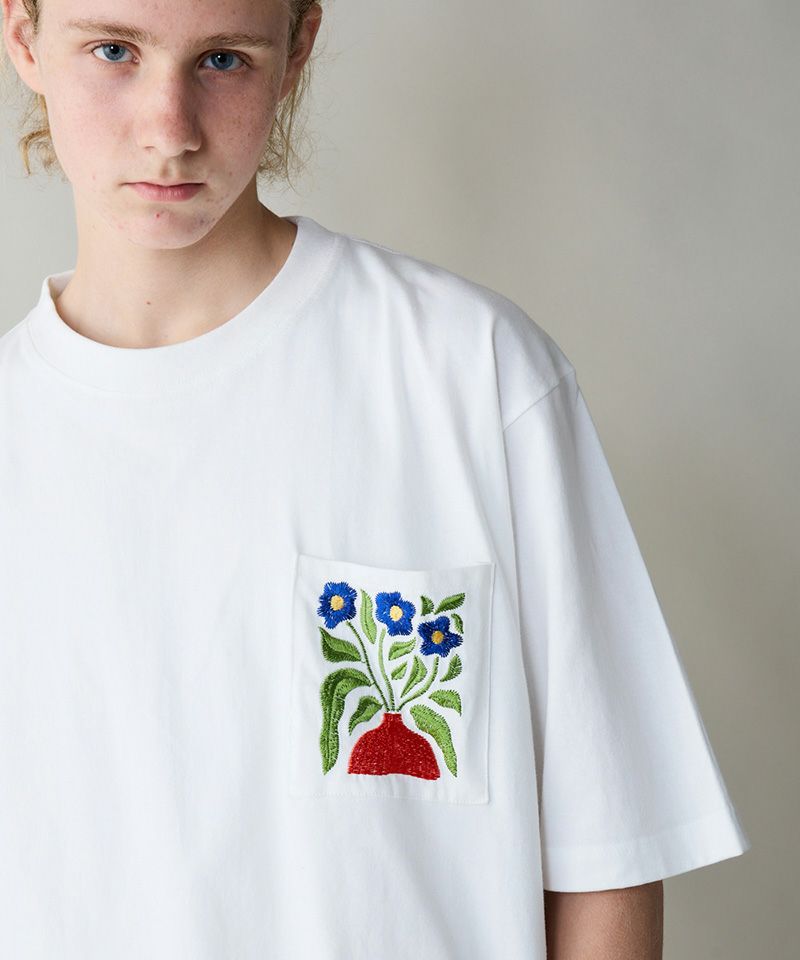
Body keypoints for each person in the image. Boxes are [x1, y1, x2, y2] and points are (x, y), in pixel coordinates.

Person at [0, 2, 750, 958]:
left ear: (297, 49)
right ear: (23, 37)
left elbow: (608, 852)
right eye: (113, 51)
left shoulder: (474, 376)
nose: (168, 129)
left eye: (223, 60)